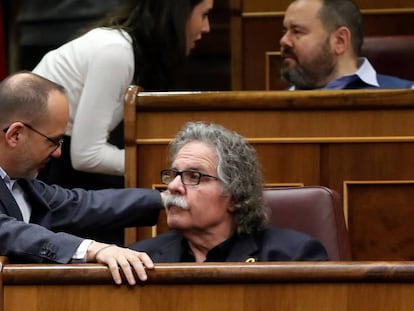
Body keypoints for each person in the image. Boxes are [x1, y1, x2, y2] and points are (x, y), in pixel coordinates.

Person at [0, 71, 165, 285]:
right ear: (16, 135)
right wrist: (93, 249)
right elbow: (7, 231)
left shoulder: (22, 183)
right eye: (54, 141)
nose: (58, 152)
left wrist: (165, 200)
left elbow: (82, 204)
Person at [31, 0, 213, 192]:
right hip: (45, 166)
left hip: (58, 162)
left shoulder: (133, 52)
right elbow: (87, 155)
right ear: (180, 14)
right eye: (204, 15)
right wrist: (160, 163)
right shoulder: (116, 52)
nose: (206, 27)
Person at [129, 122, 328, 262]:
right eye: (174, 174)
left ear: (234, 196)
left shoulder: (292, 256)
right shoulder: (143, 258)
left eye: (194, 176)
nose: (173, 186)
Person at [279, 0, 414, 90]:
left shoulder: (407, 95)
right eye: (285, 31)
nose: (284, 40)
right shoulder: (274, 107)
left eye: (297, 31)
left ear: (340, 41)